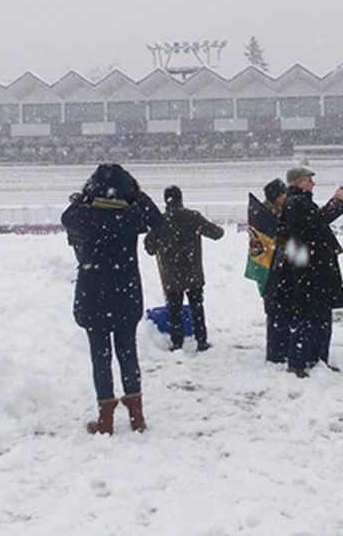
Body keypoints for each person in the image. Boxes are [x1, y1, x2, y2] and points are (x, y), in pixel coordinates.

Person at [62, 163, 163, 434]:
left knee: (100, 356)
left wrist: (86, 195)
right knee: (127, 352)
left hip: (93, 291)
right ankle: (136, 414)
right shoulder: (131, 216)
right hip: (124, 292)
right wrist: (135, 194)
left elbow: (66, 216)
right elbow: (158, 220)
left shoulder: (85, 215)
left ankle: (105, 417)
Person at [265, 166, 343, 378]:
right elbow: (318, 221)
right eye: (309, 180)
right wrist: (336, 201)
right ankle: (300, 360)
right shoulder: (298, 203)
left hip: (309, 269)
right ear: (300, 182)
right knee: (308, 317)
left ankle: (314, 358)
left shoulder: (297, 203)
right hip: (310, 271)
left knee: (316, 317)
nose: (313, 184)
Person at [145, 185, 225, 352]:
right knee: (197, 306)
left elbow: (149, 247)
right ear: (181, 199)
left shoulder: (161, 220)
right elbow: (216, 234)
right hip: (193, 273)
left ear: (166, 200)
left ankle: (177, 342)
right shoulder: (192, 217)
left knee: (174, 309)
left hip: (171, 275)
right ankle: (201, 340)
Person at [249, 178, 288, 364]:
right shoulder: (267, 218)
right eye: (283, 194)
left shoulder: (264, 213)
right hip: (272, 269)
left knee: (276, 311)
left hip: (271, 267)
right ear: (276, 197)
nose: (286, 198)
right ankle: (276, 352)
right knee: (275, 312)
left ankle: (278, 349)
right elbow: (275, 241)